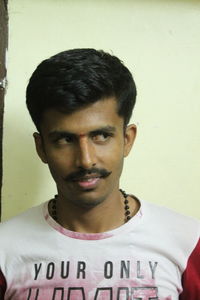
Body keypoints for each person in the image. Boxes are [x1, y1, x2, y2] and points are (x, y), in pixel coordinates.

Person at [0, 48, 199, 300]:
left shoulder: (188, 242)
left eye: (101, 136)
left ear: (127, 139)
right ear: (41, 148)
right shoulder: (4, 249)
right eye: (64, 139)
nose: (85, 160)